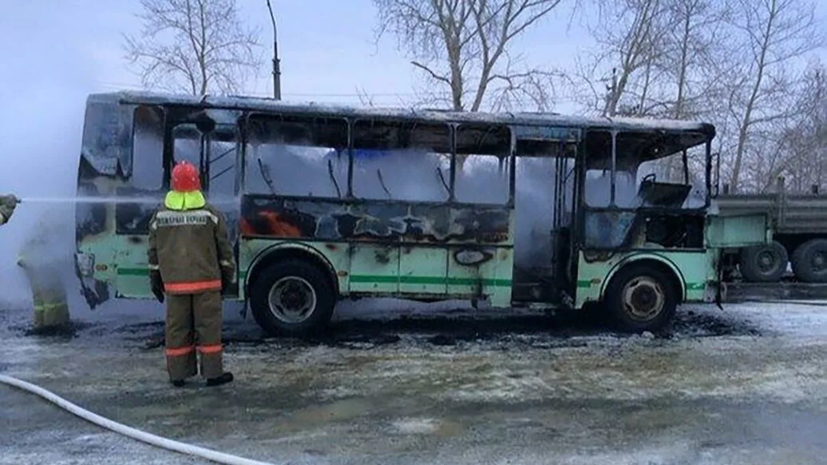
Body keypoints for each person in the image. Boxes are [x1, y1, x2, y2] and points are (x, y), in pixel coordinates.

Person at [148, 161, 236, 388]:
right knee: (209, 331)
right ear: (197, 182)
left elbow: (153, 252)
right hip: (207, 284)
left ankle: (178, 375)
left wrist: (155, 281)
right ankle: (213, 374)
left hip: (175, 287)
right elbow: (224, 249)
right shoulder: (210, 214)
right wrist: (227, 276)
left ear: (173, 184)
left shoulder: (160, 215)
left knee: (177, 331)